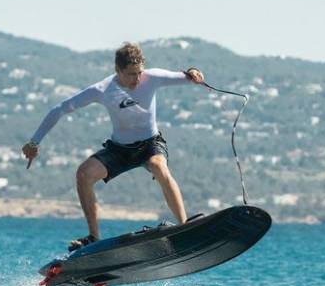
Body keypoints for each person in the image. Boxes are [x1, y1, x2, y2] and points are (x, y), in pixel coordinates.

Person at [22, 42, 205, 251]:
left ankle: (183, 227)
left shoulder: (152, 77)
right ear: (117, 70)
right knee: (83, 174)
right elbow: (60, 109)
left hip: (151, 144)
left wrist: (194, 72)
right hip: (120, 149)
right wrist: (34, 142)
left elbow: (187, 76)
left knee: (158, 165)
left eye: (139, 73)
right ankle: (93, 237)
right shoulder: (102, 89)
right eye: (131, 74)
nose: (137, 79)